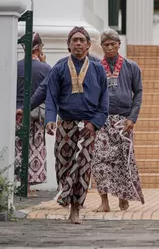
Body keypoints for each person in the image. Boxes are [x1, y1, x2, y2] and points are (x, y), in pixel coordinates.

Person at [45, 27, 109, 224]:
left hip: (88, 126)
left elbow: (104, 100)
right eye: (75, 40)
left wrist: (95, 123)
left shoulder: (98, 69)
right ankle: (66, 196)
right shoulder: (59, 67)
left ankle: (75, 209)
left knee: (82, 168)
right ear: (68, 45)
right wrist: (49, 119)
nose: (78, 43)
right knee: (64, 166)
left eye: (82, 40)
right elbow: (51, 97)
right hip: (65, 125)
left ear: (89, 45)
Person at [92, 29, 145, 212]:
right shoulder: (97, 67)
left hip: (124, 121)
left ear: (118, 45)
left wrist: (132, 117)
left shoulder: (131, 67)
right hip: (102, 120)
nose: (109, 47)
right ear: (102, 46)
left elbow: (138, 92)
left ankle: (123, 197)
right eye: (105, 44)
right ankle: (104, 201)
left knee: (123, 160)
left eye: (112, 44)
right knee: (99, 159)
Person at [14, 33, 51, 194]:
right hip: (36, 116)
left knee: (18, 149)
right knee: (34, 149)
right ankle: (27, 186)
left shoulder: (15, 66)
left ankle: (19, 184)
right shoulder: (45, 68)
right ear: (39, 48)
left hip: (16, 113)